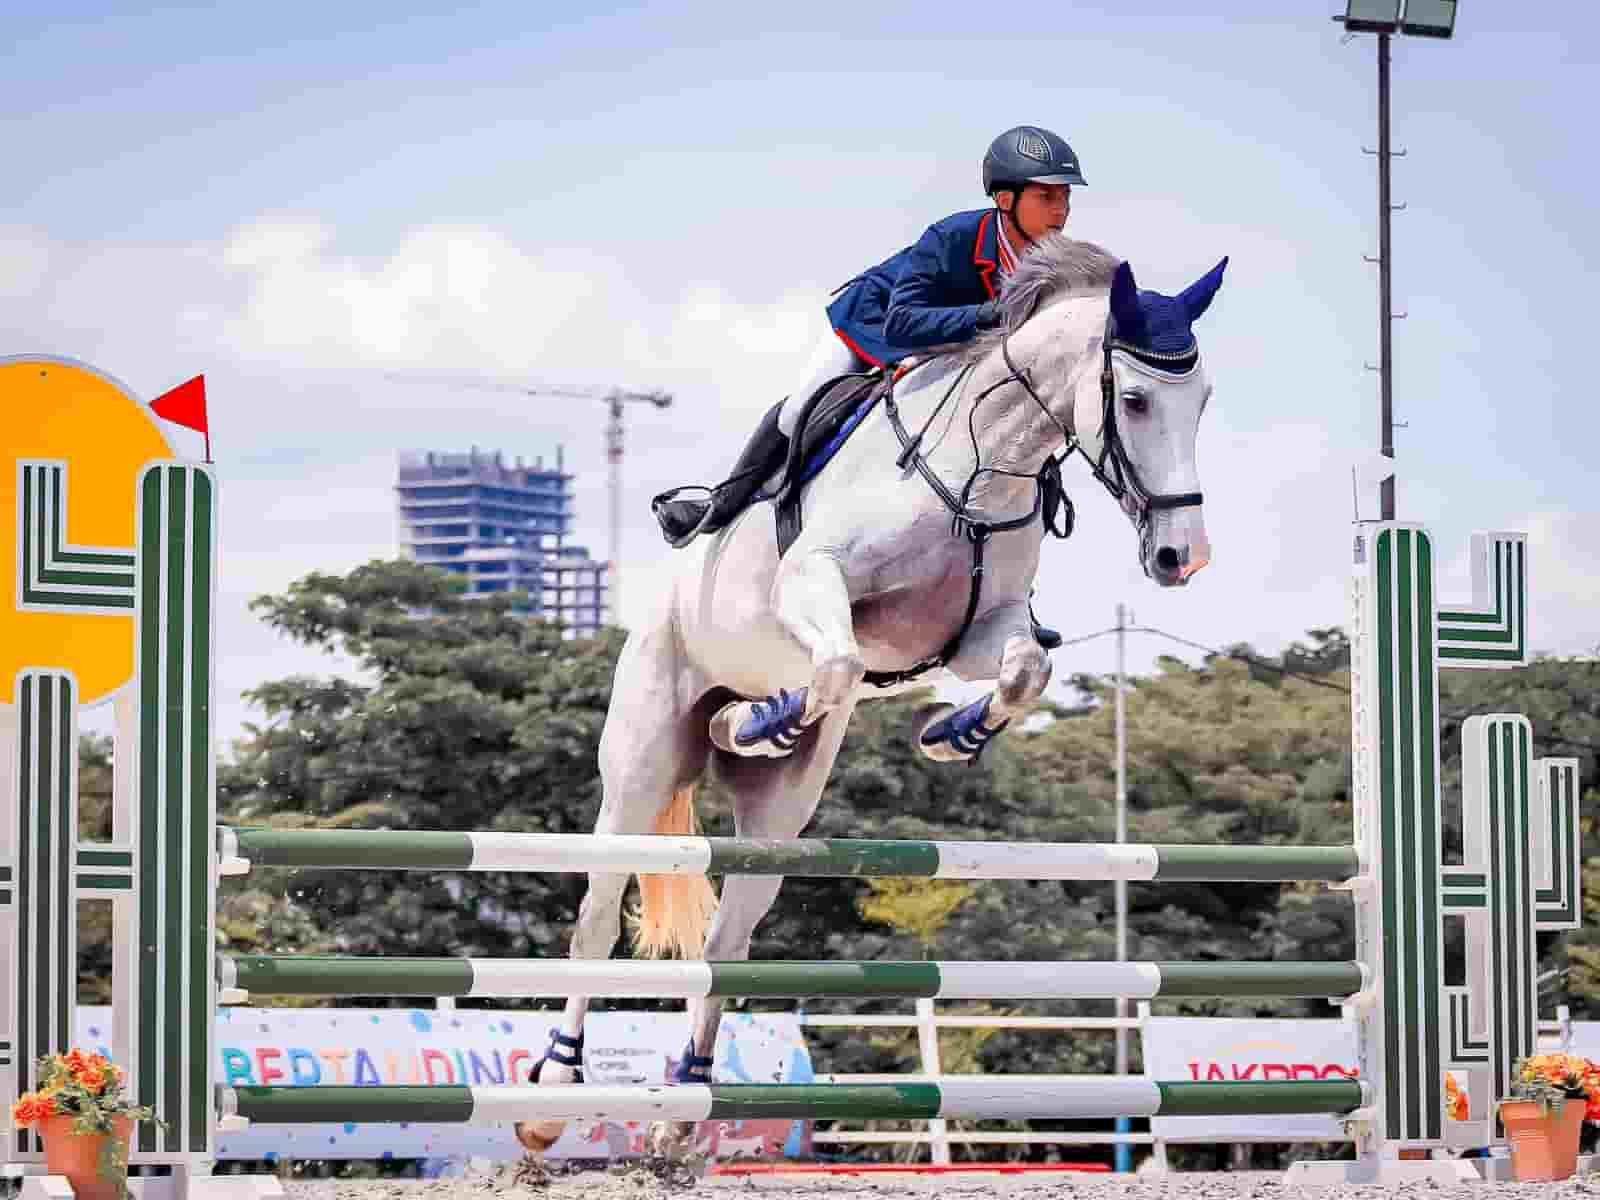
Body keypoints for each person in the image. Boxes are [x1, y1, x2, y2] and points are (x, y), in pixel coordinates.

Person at [651, 125, 1086, 643]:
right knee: (801, 407)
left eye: (1065, 196)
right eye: (1047, 196)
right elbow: (905, 322)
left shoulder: (1058, 264)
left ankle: (1016, 600)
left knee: (1021, 447)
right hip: (879, 326)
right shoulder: (952, 238)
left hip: (960, 356)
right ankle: (720, 504)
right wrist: (995, 314)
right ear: (1005, 199)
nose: (1060, 209)